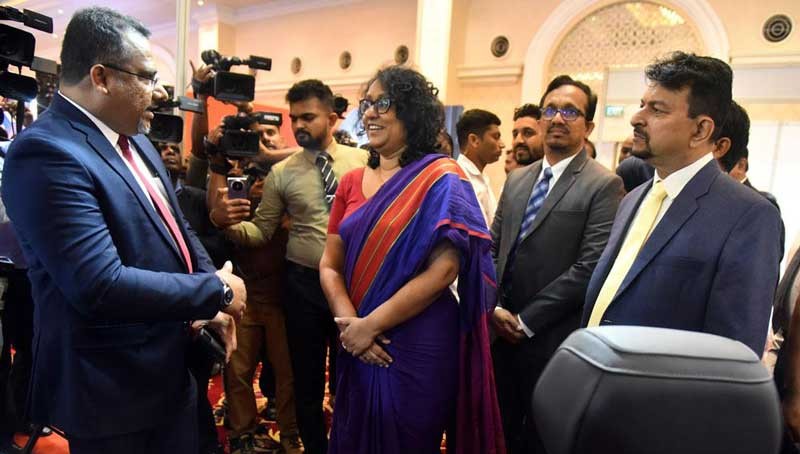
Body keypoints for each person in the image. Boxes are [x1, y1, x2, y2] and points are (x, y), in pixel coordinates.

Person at [0, 8, 247, 454]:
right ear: (101, 77)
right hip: (112, 389)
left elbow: (178, 227)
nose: (159, 92)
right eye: (147, 77)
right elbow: (98, 284)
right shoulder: (46, 152)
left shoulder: (136, 140)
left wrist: (211, 296)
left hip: (170, 367)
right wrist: (216, 291)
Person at [319, 65, 505, 454]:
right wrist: (351, 326)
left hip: (417, 338)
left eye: (383, 103)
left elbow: (445, 270)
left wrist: (371, 325)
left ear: (411, 111)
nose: (370, 113)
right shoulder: (351, 182)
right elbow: (330, 265)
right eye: (366, 104)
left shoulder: (441, 177)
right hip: (354, 334)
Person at [582, 52, 782, 355]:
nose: (636, 118)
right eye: (641, 105)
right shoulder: (632, 199)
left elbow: (734, 353)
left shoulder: (748, 215)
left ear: (701, 130)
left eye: (657, 110)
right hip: (596, 371)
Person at [219, 79, 367, 454]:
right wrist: (226, 221)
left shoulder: (363, 163)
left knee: (353, 373)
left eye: (308, 117)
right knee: (306, 377)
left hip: (355, 282)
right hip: (303, 285)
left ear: (331, 118)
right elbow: (261, 231)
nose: (299, 125)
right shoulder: (283, 172)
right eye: (294, 118)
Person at [491, 75, 623, 453]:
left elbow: (589, 266)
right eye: (550, 110)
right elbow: (491, 248)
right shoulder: (517, 179)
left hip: (551, 340)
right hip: (497, 331)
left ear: (588, 126)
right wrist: (493, 306)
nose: (558, 118)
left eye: (570, 111)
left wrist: (526, 321)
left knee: (540, 439)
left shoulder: (603, 184)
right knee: (497, 434)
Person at [456, 109, 504, 227]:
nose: (502, 144)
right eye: (496, 137)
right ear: (474, 140)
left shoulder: (481, 178)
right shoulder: (461, 179)